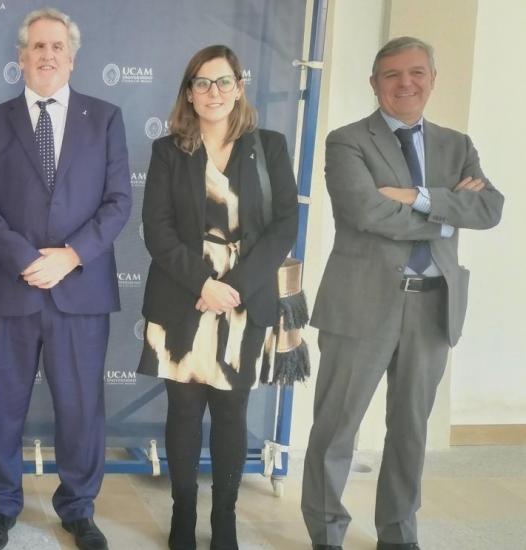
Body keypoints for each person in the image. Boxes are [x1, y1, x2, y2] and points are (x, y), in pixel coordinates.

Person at [302, 37, 503, 550]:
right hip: (360, 305)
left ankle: (397, 534)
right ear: (375, 84)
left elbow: (489, 209)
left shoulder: (457, 145)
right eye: (392, 74)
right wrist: (447, 215)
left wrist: (416, 197)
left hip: (433, 306)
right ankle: (326, 535)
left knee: (411, 430)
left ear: (433, 79)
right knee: (336, 429)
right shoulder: (347, 141)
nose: (405, 83)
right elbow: (363, 212)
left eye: (416, 72)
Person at [0, 8, 131, 550]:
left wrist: (70, 256)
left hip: (80, 289)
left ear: (72, 57)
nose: (47, 55)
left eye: (57, 46)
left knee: (81, 408)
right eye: (37, 46)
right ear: (21, 57)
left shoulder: (104, 118)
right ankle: (1, 506)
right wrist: (25, 258)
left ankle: (79, 509)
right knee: (0, 406)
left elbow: (118, 202)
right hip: (11, 287)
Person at [137, 45, 298, 550]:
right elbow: (157, 230)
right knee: (184, 413)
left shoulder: (269, 146)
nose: (214, 92)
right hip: (183, 294)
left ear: (239, 87)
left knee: (231, 413)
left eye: (224, 81)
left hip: (245, 299)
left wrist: (235, 287)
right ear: (189, 93)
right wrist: (204, 285)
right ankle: (183, 514)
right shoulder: (168, 151)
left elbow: (284, 226)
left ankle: (224, 519)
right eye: (202, 83)